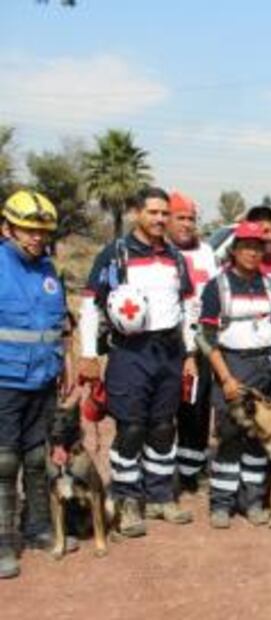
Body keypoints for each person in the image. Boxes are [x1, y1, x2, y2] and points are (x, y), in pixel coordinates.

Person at [78, 187, 197, 537]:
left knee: (162, 425)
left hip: (169, 351)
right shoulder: (114, 254)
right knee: (130, 428)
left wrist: (189, 353)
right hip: (130, 353)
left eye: (165, 213)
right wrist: (88, 353)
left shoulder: (176, 257)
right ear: (136, 213)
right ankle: (129, 500)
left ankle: (160, 496)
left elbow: (188, 306)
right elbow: (89, 304)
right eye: (153, 213)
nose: (160, 219)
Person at [200, 222, 271, 529]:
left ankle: (252, 501)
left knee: (258, 441)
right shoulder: (218, 286)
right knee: (229, 439)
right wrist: (226, 378)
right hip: (233, 368)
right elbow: (206, 337)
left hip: (266, 371)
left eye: (258, 247)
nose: (252, 253)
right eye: (246, 247)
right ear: (235, 250)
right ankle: (222, 505)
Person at [0, 191, 72, 579]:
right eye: (28, 231)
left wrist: (66, 361)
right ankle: (2, 542)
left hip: (43, 380)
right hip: (4, 382)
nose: (36, 239)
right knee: (3, 462)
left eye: (42, 232)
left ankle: (40, 528)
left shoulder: (47, 269)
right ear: (7, 227)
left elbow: (60, 323)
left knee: (37, 458)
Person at [166, 191, 219, 493]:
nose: (186, 224)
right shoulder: (158, 253)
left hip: (200, 342)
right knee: (164, 411)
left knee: (197, 409)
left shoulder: (207, 252)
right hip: (167, 342)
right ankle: (159, 472)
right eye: (180, 218)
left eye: (191, 219)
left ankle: (191, 470)